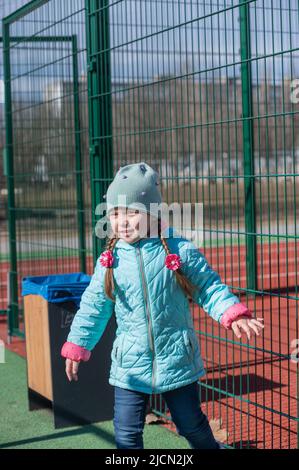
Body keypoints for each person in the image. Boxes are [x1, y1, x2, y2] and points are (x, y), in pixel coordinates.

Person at [61, 162, 264, 449]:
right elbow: (94, 306)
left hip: (176, 358)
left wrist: (232, 313)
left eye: (132, 212)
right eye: (116, 213)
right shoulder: (110, 259)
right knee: (127, 435)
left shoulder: (180, 250)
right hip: (129, 363)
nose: (123, 221)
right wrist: (78, 344)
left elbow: (208, 286)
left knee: (191, 426)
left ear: (152, 213)